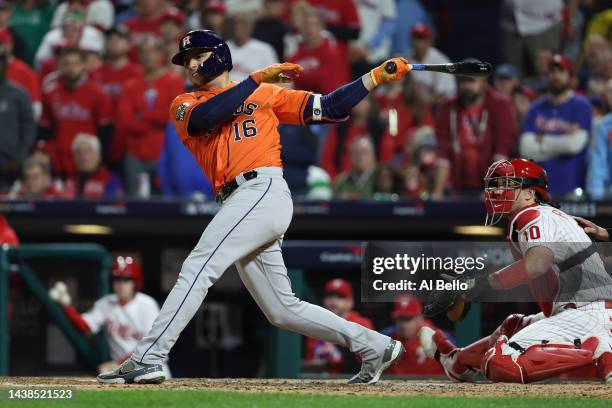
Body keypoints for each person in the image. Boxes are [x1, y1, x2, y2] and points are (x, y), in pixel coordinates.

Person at [97, 29, 410, 385]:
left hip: (261, 189)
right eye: (186, 60)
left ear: (219, 55)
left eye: (198, 55)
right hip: (239, 199)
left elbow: (329, 108)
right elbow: (207, 118)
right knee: (282, 309)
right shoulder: (185, 104)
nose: (191, 64)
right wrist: (255, 79)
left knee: (199, 266)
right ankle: (374, 346)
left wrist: (373, 78)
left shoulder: (264, 94)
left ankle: (148, 357)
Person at [419, 158, 612, 384]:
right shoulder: (548, 216)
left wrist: (476, 286)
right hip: (585, 310)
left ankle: (600, 352)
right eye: (495, 184)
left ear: (530, 193)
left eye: (507, 184)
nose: (498, 191)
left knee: (500, 363)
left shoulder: (532, 215)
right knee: (512, 325)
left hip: (587, 315)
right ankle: (457, 362)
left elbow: (536, 264)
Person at [48, 256, 171, 377]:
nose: (121, 284)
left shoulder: (147, 304)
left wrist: (118, 364)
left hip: (152, 369)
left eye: (126, 280)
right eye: (117, 279)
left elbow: (151, 344)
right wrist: (67, 306)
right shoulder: (106, 304)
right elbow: (85, 326)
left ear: (135, 283)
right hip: (124, 372)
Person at [433, 67, 518, 198]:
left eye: (471, 81)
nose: (466, 86)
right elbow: (442, 151)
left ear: (483, 82)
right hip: (459, 183)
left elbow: (502, 152)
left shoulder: (500, 105)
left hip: (493, 183)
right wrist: (437, 194)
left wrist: (492, 190)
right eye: (463, 81)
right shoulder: (448, 107)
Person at [116, 35, 184, 196]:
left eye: (152, 52)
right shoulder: (130, 85)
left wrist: (142, 116)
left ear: (161, 55)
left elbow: (173, 117)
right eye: (143, 53)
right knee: (137, 204)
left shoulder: (174, 82)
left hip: (165, 154)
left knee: (168, 202)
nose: (147, 57)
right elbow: (125, 122)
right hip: (135, 155)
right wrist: (156, 118)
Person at [519, 54, 592, 197]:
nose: (556, 76)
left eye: (561, 72)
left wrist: (542, 140)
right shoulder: (536, 107)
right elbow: (526, 148)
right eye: (552, 72)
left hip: (573, 186)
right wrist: (563, 142)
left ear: (570, 76)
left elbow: (574, 145)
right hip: (540, 188)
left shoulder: (582, 105)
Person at [39, 47, 113, 177]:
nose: (71, 68)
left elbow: (105, 131)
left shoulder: (98, 94)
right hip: (59, 160)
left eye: (76, 63)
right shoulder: (51, 93)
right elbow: (45, 129)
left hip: (87, 161)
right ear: (59, 66)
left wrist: (100, 160)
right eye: (66, 64)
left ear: (84, 65)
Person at [304, 279, 374, 374]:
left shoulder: (361, 324)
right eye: (329, 295)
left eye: (340, 296)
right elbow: (311, 361)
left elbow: (368, 361)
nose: (333, 300)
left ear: (350, 302)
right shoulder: (316, 323)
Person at [381, 295, 445, 376]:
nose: (403, 325)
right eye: (400, 319)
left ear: (420, 318)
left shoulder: (437, 339)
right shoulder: (388, 337)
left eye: (408, 319)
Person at [0, 48, 35, 190]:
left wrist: (19, 158)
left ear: (5, 65)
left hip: (10, 165)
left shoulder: (18, 93)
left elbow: (28, 128)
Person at [408, 22, 456, 105]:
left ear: (429, 41)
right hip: (421, 105)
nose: (417, 42)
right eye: (415, 37)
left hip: (444, 105)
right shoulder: (408, 59)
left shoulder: (440, 61)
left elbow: (440, 94)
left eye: (421, 38)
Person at [64, 133, 123, 199]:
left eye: (88, 152)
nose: (83, 157)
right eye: (79, 152)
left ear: (98, 155)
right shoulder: (70, 180)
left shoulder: (111, 181)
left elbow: (112, 207)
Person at [227, 12, 278, 82]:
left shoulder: (264, 50)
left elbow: (275, 80)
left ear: (249, 26)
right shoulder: (222, 49)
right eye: (234, 23)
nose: (237, 27)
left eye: (241, 23)